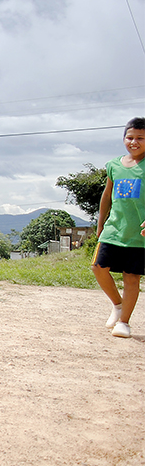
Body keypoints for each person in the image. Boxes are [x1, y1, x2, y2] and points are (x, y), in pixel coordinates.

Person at [92, 117, 144, 338]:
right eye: (130, 137)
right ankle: (118, 304)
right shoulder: (114, 165)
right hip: (114, 229)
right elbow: (107, 196)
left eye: (140, 138)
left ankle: (124, 322)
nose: (134, 142)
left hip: (138, 233)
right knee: (98, 267)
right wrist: (100, 222)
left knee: (131, 277)